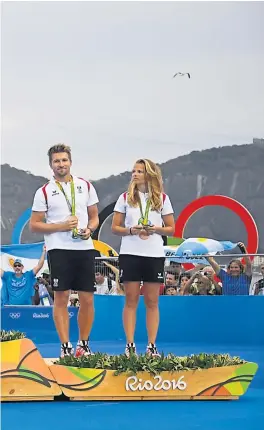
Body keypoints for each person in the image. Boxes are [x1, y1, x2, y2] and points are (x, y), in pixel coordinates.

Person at [30, 144, 99, 358]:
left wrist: (90, 229)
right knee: (62, 297)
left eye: (64, 160)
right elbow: (35, 224)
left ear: (70, 161)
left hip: (84, 247)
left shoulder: (85, 186)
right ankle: (65, 346)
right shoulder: (44, 191)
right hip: (59, 249)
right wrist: (61, 226)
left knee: (87, 298)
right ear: (51, 165)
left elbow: (94, 217)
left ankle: (84, 344)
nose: (61, 164)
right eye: (56, 161)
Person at [112, 158, 175, 357]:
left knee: (152, 301)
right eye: (133, 171)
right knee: (131, 300)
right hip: (130, 253)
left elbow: (171, 228)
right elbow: (115, 227)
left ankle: (151, 346)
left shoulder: (162, 199)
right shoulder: (125, 198)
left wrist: (156, 229)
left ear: (149, 174)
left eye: (139, 171)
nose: (135, 174)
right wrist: (131, 230)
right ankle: (130, 345)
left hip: (154, 254)